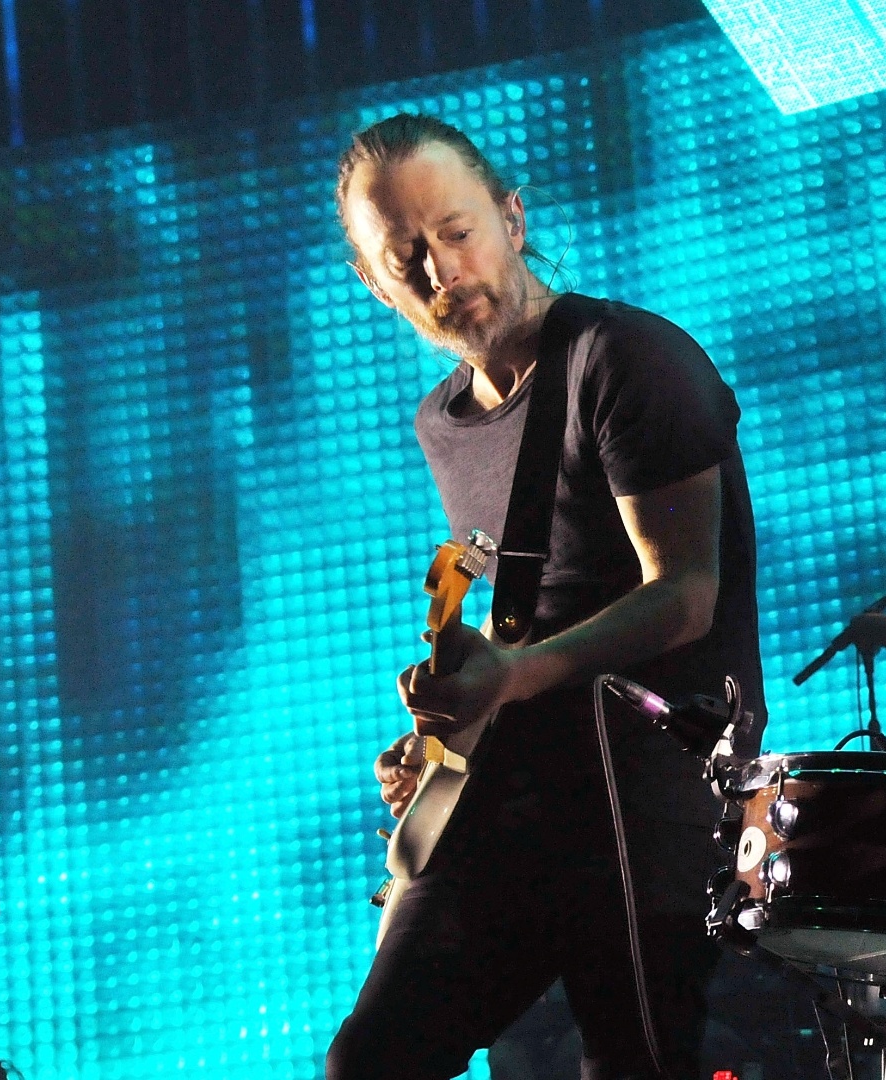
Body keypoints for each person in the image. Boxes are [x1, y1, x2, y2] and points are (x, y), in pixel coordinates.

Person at [324, 113, 763, 1080]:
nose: (440, 271)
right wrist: (451, 734)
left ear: (513, 220)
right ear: (375, 282)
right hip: (514, 801)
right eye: (406, 256)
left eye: (456, 231)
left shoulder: (627, 359)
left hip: (645, 794)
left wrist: (513, 679)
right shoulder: (443, 422)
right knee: (367, 1061)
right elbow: (532, 598)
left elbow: (686, 594)